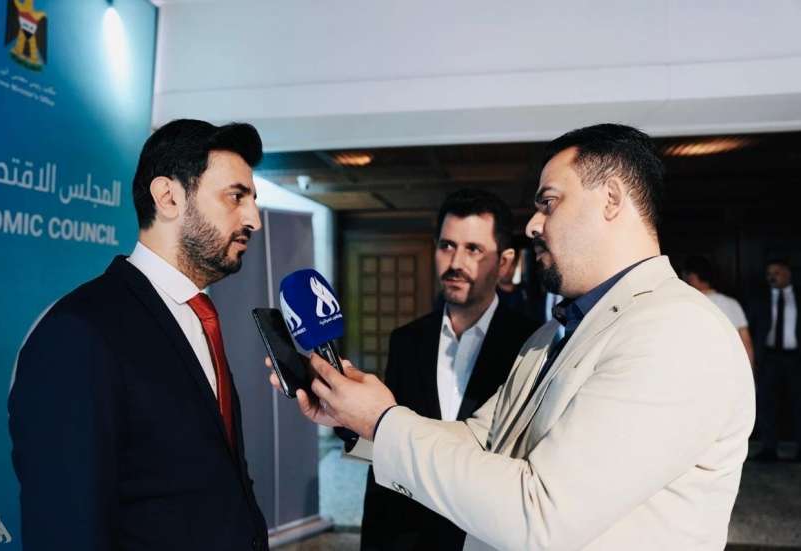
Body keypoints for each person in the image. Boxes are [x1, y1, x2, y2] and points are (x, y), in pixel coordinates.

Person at [272, 124, 755, 550]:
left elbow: (540, 515)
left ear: (611, 199)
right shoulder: (552, 335)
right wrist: (356, 415)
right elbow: (479, 439)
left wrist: (383, 422)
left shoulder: (676, 331)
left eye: (549, 203)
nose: (532, 224)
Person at [9, 119, 270, 550]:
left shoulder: (199, 316)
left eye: (253, 200)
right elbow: (66, 525)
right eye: (236, 196)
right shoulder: (79, 332)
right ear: (168, 197)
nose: (253, 219)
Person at [361, 189, 539, 550]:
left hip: (486, 535)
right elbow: (386, 449)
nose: (455, 262)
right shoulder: (406, 340)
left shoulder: (532, 345)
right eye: (447, 246)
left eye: (473, 249)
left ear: (504, 263)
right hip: (410, 534)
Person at [748, 258, 801, 462]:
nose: (771, 277)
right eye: (769, 273)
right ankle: (769, 449)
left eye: (776, 273)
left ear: (788, 273)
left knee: (798, 402)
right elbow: (750, 328)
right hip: (768, 358)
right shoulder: (760, 298)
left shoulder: (797, 296)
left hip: (795, 358)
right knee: (767, 403)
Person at [682, 255, 754, 366]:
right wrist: (751, 373)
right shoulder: (732, 304)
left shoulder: (686, 306)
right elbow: (746, 344)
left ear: (692, 277)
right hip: (730, 367)